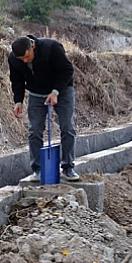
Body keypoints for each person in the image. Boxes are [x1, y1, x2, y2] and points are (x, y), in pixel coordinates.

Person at [8, 35, 79, 182]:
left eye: (27, 57)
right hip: (36, 93)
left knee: (67, 127)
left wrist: (55, 92)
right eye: (22, 59)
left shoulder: (51, 48)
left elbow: (67, 70)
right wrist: (18, 101)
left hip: (62, 91)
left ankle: (68, 168)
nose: (25, 61)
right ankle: (38, 169)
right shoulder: (14, 58)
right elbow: (17, 79)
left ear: (32, 47)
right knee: (34, 130)